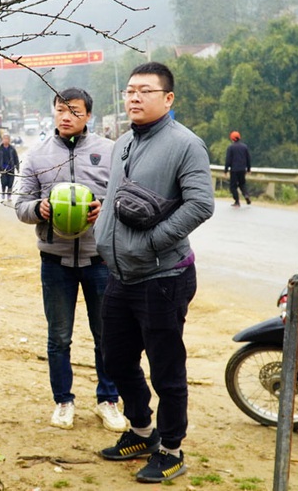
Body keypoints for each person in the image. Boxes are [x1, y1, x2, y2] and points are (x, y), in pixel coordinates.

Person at [94, 61, 215, 484]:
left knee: (167, 368)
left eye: (145, 91)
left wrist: (148, 243)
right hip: (121, 275)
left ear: (168, 98)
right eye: (130, 91)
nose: (134, 98)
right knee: (116, 357)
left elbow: (201, 204)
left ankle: (171, 448)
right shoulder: (123, 142)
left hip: (164, 277)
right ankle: (142, 429)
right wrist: (101, 228)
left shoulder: (186, 145)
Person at [15, 88, 127, 434]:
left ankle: (108, 400)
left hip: (100, 260)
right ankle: (63, 401)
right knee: (59, 337)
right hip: (54, 262)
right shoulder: (37, 155)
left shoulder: (110, 152)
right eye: (61, 110)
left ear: (88, 116)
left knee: (105, 334)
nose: (66, 117)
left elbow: (125, 198)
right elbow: (21, 206)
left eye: (74, 111)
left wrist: (104, 207)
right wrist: (40, 209)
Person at [224, 130, 252, 207]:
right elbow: (248, 158)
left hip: (234, 170)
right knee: (242, 184)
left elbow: (228, 159)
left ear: (232, 138)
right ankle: (246, 195)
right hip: (243, 169)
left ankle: (237, 201)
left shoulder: (231, 147)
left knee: (233, 186)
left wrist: (226, 170)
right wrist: (249, 169)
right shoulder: (244, 147)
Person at [0, 133, 20, 202]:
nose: (5, 140)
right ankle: (3, 193)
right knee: (4, 182)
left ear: (9, 140)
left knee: (10, 183)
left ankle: (9, 195)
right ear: (2, 140)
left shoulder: (12, 149)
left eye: (7, 139)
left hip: (11, 168)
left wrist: (17, 167)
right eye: (4, 138)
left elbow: (16, 158)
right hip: (3, 169)